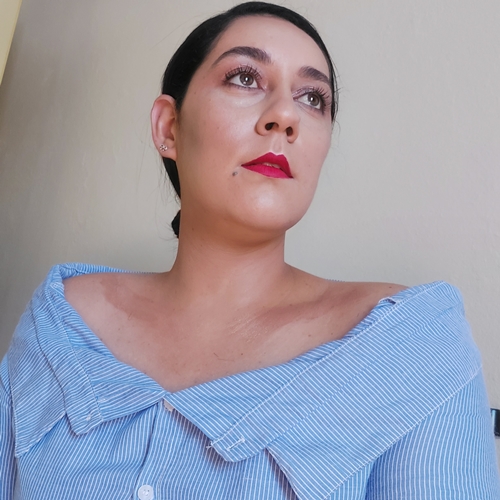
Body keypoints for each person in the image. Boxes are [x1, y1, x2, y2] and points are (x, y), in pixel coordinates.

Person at [1, 2, 498, 499]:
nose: (285, 116)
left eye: (312, 98)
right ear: (169, 127)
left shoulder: (411, 347)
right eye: (244, 78)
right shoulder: (60, 322)